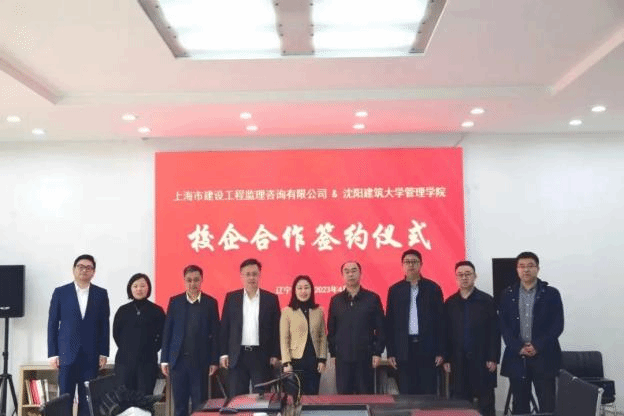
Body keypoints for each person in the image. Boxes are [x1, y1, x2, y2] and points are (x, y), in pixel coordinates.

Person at [499, 252, 564, 414]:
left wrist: (537, 345)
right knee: (520, 405)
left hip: (544, 355)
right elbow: (504, 325)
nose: (526, 270)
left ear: (538, 268)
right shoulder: (507, 294)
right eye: (521, 266)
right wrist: (518, 347)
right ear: (517, 269)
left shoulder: (551, 293)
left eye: (530, 266)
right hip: (517, 357)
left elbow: (557, 325)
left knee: (547, 404)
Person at [47, 254, 110, 416]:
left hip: (91, 355)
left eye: (88, 268)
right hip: (66, 354)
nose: (84, 270)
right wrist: (53, 353)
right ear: (74, 269)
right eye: (80, 267)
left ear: (93, 272)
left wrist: (103, 352)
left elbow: (104, 325)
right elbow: (52, 324)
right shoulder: (61, 292)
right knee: (64, 398)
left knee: (88, 400)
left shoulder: (101, 294)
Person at [160, 265, 220, 416]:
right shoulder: (175, 302)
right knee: (179, 406)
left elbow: (216, 334)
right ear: (184, 281)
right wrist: (164, 359)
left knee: (199, 405)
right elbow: (167, 332)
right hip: (178, 362)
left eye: (196, 280)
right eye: (189, 280)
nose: (193, 283)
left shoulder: (210, 303)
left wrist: (214, 361)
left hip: (200, 362)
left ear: (202, 280)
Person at [443, 261, 500, 416]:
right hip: (458, 360)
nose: (464, 277)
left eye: (468, 274)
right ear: (456, 278)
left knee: (486, 402)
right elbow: (445, 333)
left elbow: (494, 331)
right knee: (460, 403)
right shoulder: (450, 303)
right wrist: (446, 358)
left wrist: (493, 357)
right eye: (460, 275)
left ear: (475, 276)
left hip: (483, 359)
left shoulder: (487, 301)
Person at [385, 249, 444, 394]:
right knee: (406, 392)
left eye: (414, 262)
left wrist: (441, 351)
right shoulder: (395, 290)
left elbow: (441, 322)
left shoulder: (433, 288)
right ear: (402, 265)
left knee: (428, 391)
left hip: (428, 348)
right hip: (404, 349)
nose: (411, 265)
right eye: (407, 262)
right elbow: (390, 323)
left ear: (421, 264)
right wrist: (391, 352)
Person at [220, 258, 281, 396]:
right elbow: (225, 327)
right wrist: (224, 353)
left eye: (254, 274)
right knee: (237, 398)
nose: (251, 277)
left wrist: (275, 354)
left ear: (259, 275)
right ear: (241, 276)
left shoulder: (271, 299)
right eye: (247, 274)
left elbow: (276, 329)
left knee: (262, 397)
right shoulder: (232, 298)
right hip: (238, 355)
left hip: (261, 356)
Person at [327, 261, 385, 394]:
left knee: (365, 396)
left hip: (365, 357)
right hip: (343, 359)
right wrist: (333, 353)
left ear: (360, 273)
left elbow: (381, 328)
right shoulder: (336, 300)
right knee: (344, 397)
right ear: (342, 275)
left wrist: (377, 352)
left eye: (354, 271)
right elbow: (332, 329)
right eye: (346, 272)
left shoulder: (372, 298)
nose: (350, 274)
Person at [113, 273, 165, 395]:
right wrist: (128, 349)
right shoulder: (122, 310)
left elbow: (163, 335)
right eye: (135, 286)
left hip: (147, 362)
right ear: (130, 288)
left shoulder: (157, 311)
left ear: (148, 288)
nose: (139, 289)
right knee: (124, 399)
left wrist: (151, 349)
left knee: (144, 398)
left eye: (142, 286)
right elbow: (116, 334)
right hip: (124, 362)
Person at [280, 275, 327, 395]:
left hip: (314, 361)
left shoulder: (318, 311)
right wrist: (286, 363)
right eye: (299, 288)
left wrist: (322, 359)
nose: (303, 291)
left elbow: (322, 336)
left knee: (313, 395)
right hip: (295, 361)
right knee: (296, 396)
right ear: (294, 291)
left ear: (311, 290)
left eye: (306, 288)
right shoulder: (287, 311)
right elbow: (284, 339)